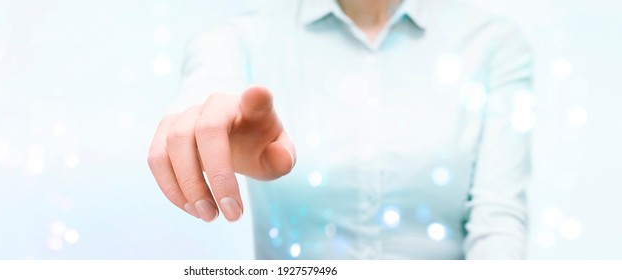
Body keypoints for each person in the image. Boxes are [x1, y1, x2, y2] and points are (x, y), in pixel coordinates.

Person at [148, 0, 533, 259]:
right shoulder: (242, 38)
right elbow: (209, 84)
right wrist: (202, 118)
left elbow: (497, 219)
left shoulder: (491, 43)